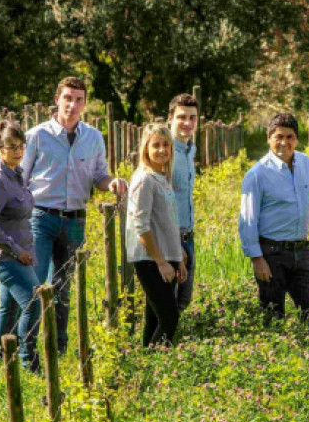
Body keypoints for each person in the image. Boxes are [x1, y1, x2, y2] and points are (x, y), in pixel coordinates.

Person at [21, 76, 127, 352]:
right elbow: (20, 178)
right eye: (68, 98)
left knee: (63, 286)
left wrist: (112, 183)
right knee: (35, 284)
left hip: (75, 220)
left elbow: (99, 176)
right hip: (40, 217)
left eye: (79, 100)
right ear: (57, 100)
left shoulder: (93, 137)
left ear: (85, 103)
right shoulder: (36, 136)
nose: (73, 104)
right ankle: (26, 349)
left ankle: (58, 347)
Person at [239, 112, 309, 333]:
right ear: (269, 138)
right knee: (273, 315)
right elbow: (248, 220)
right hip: (271, 253)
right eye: (278, 137)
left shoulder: (305, 163)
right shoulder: (257, 174)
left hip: (301, 250)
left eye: (290, 137)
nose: (284, 143)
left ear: (297, 140)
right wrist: (257, 259)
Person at [0, 120, 40, 371]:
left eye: (21, 146)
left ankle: (1, 358)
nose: (18, 151)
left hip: (17, 252)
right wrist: (16, 250)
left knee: (10, 306)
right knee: (34, 303)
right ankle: (27, 360)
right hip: (3, 255)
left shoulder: (15, 172)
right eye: (12, 146)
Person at [126, 123, 187, 347]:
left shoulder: (161, 177)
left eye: (166, 145)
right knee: (170, 318)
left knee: (155, 319)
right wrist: (161, 262)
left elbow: (167, 222)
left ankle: (147, 362)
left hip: (167, 257)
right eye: (156, 145)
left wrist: (178, 256)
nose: (162, 150)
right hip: (150, 259)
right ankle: (157, 363)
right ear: (146, 149)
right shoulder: (144, 180)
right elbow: (141, 225)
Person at [168, 93, 199, 313]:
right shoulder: (164, 151)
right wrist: (173, 244)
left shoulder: (190, 149)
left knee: (182, 303)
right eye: (181, 117)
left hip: (188, 236)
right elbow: (158, 204)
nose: (187, 123)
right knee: (167, 306)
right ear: (170, 118)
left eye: (192, 118)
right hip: (170, 238)